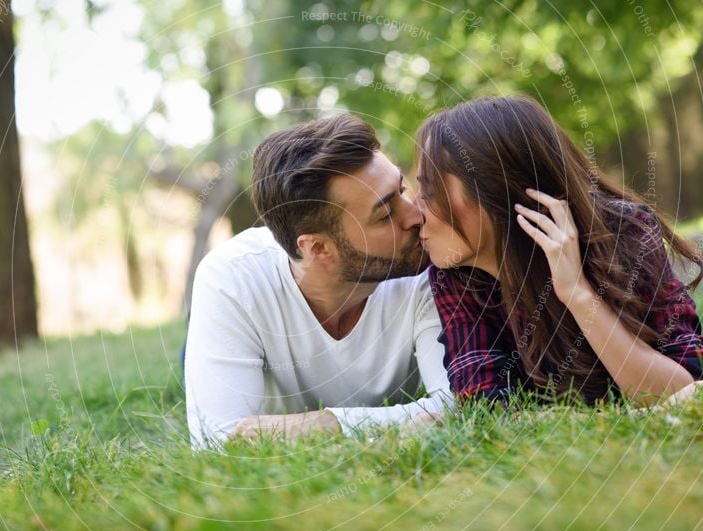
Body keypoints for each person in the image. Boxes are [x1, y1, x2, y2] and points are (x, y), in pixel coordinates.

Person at [413, 94, 703, 409]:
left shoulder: (622, 233)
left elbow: (684, 391)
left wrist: (577, 294)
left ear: (495, 189)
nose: (416, 211)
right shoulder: (453, 277)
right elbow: (484, 408)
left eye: (430, 190)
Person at [184, 113, 452, 449]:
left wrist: (323, 423)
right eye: (385, 214)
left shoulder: (427, 267)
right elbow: (219, 441)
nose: (415, 217)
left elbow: (457, 405)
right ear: (319, 248)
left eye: (402, 189)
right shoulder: (231, 280)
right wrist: (410, 418)